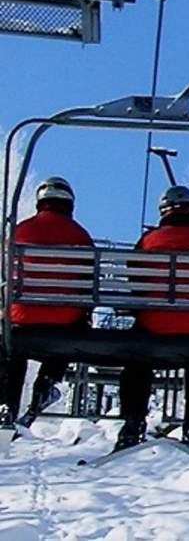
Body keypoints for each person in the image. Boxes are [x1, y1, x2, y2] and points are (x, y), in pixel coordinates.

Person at [115, 185, 189, 455]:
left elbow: (134, 284)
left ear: (163, 212)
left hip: (152, 328)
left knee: (137, 359)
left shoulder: (149, 241)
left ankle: (133, 422)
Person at [1, 177, 93, 432]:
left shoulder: (19, 231)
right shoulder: (81, 236)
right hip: (63, 324)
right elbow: (89, 284)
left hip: (22, 320)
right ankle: (46, 382)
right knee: (70, 332)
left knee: (11, 348)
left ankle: (6, 403)